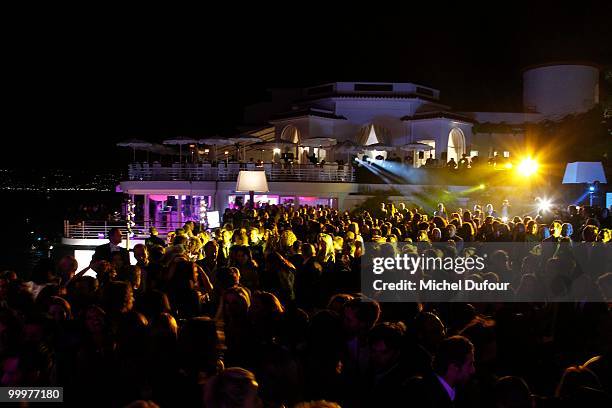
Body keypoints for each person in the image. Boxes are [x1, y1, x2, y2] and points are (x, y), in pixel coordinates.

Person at [406, 335, 476, 408]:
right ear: (454, 367)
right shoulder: (418, 392)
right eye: (470, 364)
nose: (473, 370)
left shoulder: (463, 395)